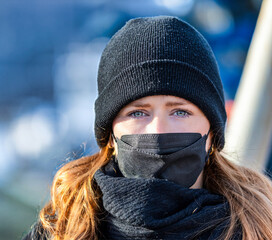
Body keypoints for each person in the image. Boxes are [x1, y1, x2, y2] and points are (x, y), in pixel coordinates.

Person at [23, 16, 272, 240]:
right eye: (138, 113)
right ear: (109, 135)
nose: (158, 130)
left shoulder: (259, 229)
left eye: (180, 111)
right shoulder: (61, 232)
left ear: (212, 133)